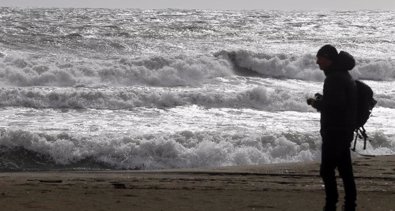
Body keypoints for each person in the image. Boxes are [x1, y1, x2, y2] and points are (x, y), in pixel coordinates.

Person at [307, 45, 357, 211]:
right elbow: (338, 101)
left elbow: (335, 106)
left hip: (335, 132)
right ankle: (349, 204)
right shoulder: (342, 75)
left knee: (327, 170)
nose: (317, 62)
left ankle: (331, 204)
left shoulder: (334, 78)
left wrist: (316, 103)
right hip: (344, 130)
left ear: (328, 59)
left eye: (319, 58)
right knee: (345, 170)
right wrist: (323, 100)